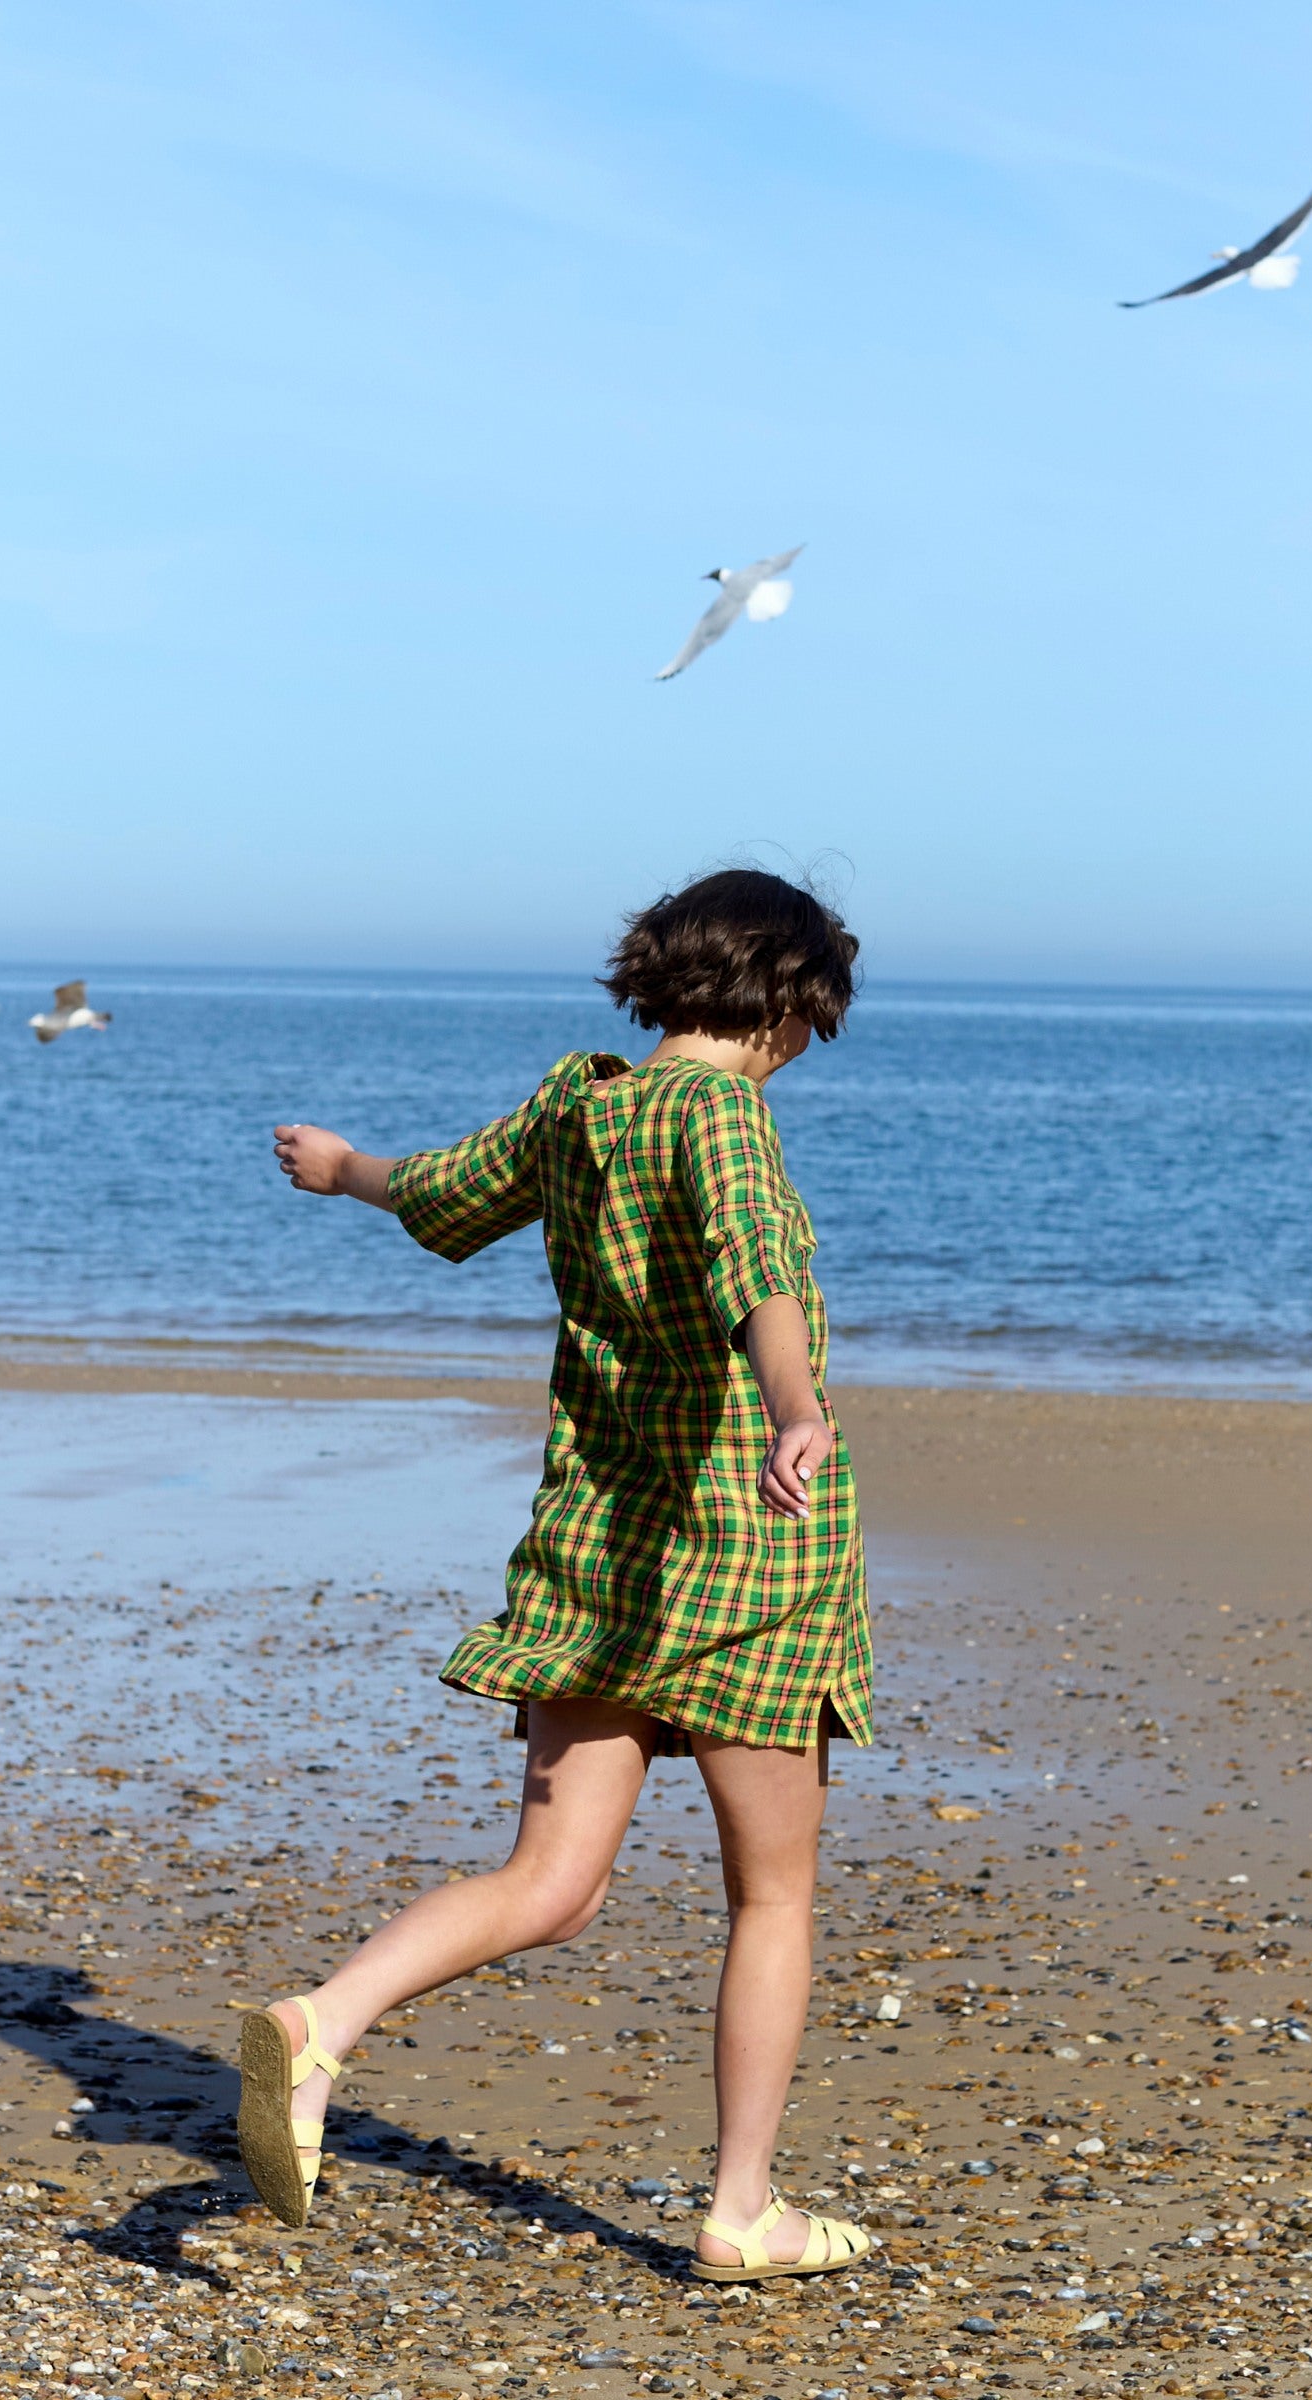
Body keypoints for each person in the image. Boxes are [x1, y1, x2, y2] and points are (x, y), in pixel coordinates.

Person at [238, 867, 874, 2284]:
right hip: (744, 1571)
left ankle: (324, 2019)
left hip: (595, 1560)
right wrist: (796, 1408)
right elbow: (761, 1272)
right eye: (808, 1028)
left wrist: (341, 1166)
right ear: (786, 1005)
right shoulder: (727, 1118)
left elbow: (439, 1192)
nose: (798, 1053)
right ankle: (742, 2210)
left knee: (551, 1884)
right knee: (772, 1897)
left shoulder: (580, 1105)